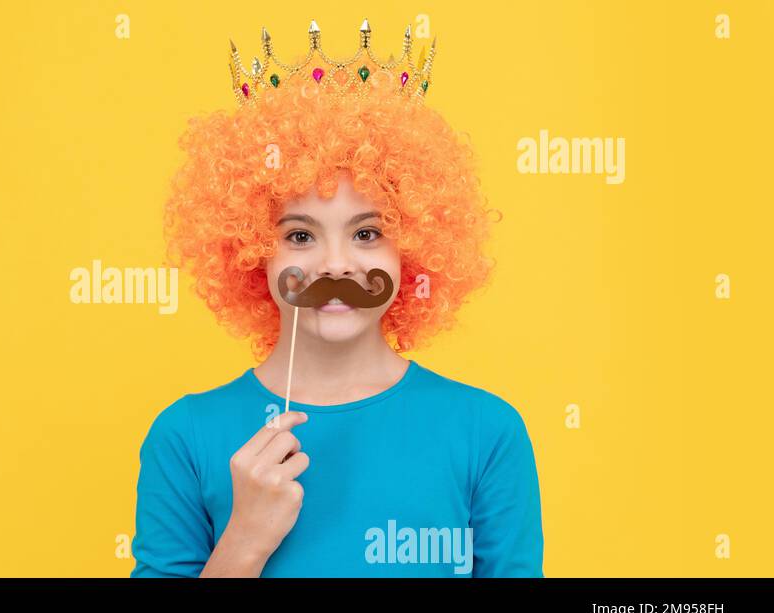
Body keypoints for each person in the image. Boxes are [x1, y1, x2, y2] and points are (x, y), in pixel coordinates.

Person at [130, 20, 543, 577]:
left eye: (367, 233)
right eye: (300, 236)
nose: (335, 264)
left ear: (413, 247)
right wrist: (244, 541)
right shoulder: (185, 436)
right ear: (254, 254)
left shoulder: (486, 432)